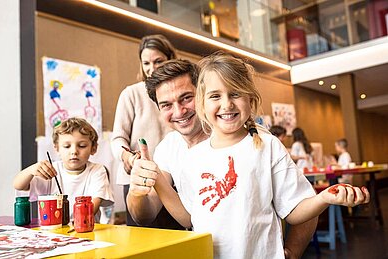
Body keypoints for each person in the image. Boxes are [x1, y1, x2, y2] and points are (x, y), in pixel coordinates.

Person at [147, 52, 370, 259]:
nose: (227, 104)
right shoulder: (192, 159)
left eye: (235, 93)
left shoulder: (267, 146)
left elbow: (294, 211)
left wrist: (324, 198)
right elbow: (189, 218)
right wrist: (156, 178)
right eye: (215, 96)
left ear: (250, 100)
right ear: (201, 104)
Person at [129, 58, 320, 258]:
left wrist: (292, 251)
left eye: (186, 98)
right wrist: (137, 190)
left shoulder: (256, 141)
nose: (179, 111)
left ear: (202, 94)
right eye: (166, 105)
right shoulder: (169, 149)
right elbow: (150, 215)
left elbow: (300, 202)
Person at [110, 34, 182, 228]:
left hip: (173, 178)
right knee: (143, 234)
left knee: (175, 235)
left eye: (159, 61)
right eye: (146, 63)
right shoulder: (131, 93)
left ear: (171, 59)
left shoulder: (179, 93)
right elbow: (117, 138)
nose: (152, 68)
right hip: (139, 178)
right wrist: (127, 157)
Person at [13, 117, 114, 222]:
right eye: (67, 146)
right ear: (57, 148)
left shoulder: (97, 171)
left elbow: (95, 203)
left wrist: (77, 222)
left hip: (84, 230)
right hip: (52, 231)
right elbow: (18, 185)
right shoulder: (51, 170)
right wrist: (31, 170)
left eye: (82, 146)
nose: (74, 151)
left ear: (93, 148)